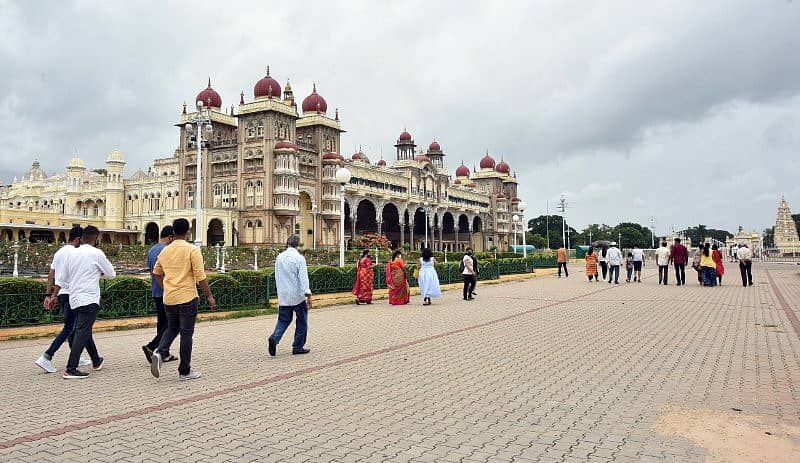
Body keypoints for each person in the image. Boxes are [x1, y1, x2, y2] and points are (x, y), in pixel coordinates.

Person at [150, 218, 217, 380]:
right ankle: (184, 371)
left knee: (172, 328)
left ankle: (160, 352)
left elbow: (156, 273)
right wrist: (209, 295)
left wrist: (165, 287)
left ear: (173, 232)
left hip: (169, 298)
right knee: (186, 334)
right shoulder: (192, 250)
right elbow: (200, 276)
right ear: (188, 232)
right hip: (187, 297)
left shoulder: (165, 251)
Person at [53, 226, 115, 379]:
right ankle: (71, 368)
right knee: (82, 331)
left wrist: (53, 295)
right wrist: (98, 271)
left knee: (83, 330)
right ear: (96, 238)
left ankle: (96, 360)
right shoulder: (96, 253)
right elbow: (111, 274)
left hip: (74, 298)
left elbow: (61, 279)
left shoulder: (72, 254)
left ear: (82, 238)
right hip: (89, 298)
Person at [36, 226, 92, 373]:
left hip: (62, 293)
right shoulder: (75, 253)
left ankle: (76, 355)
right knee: (70, 328)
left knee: (74, 327)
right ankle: (47, 356)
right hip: (71, 293)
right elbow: (66, 276)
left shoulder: (59, 252)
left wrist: (49, 295)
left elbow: (51, 275)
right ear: (78, 239)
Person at [268, 234, 313, 357]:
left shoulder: (280, 257)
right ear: (297, 244)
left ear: (287, 243)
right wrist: (308, 294)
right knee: (302, 321)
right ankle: (297, 347)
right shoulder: (299, 258)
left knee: (283, 320)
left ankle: (275, 337)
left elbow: (277, 275)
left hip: (284, 295)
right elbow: (303, 278)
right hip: (297, 295)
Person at [142, 226, 177, 364]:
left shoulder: (152, 250)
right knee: (171, 324)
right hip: (166, 291)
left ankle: (163, 352)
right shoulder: (166, 250)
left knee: (162, 323)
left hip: (155, 290)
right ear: (170, 237)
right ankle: (152, 346)